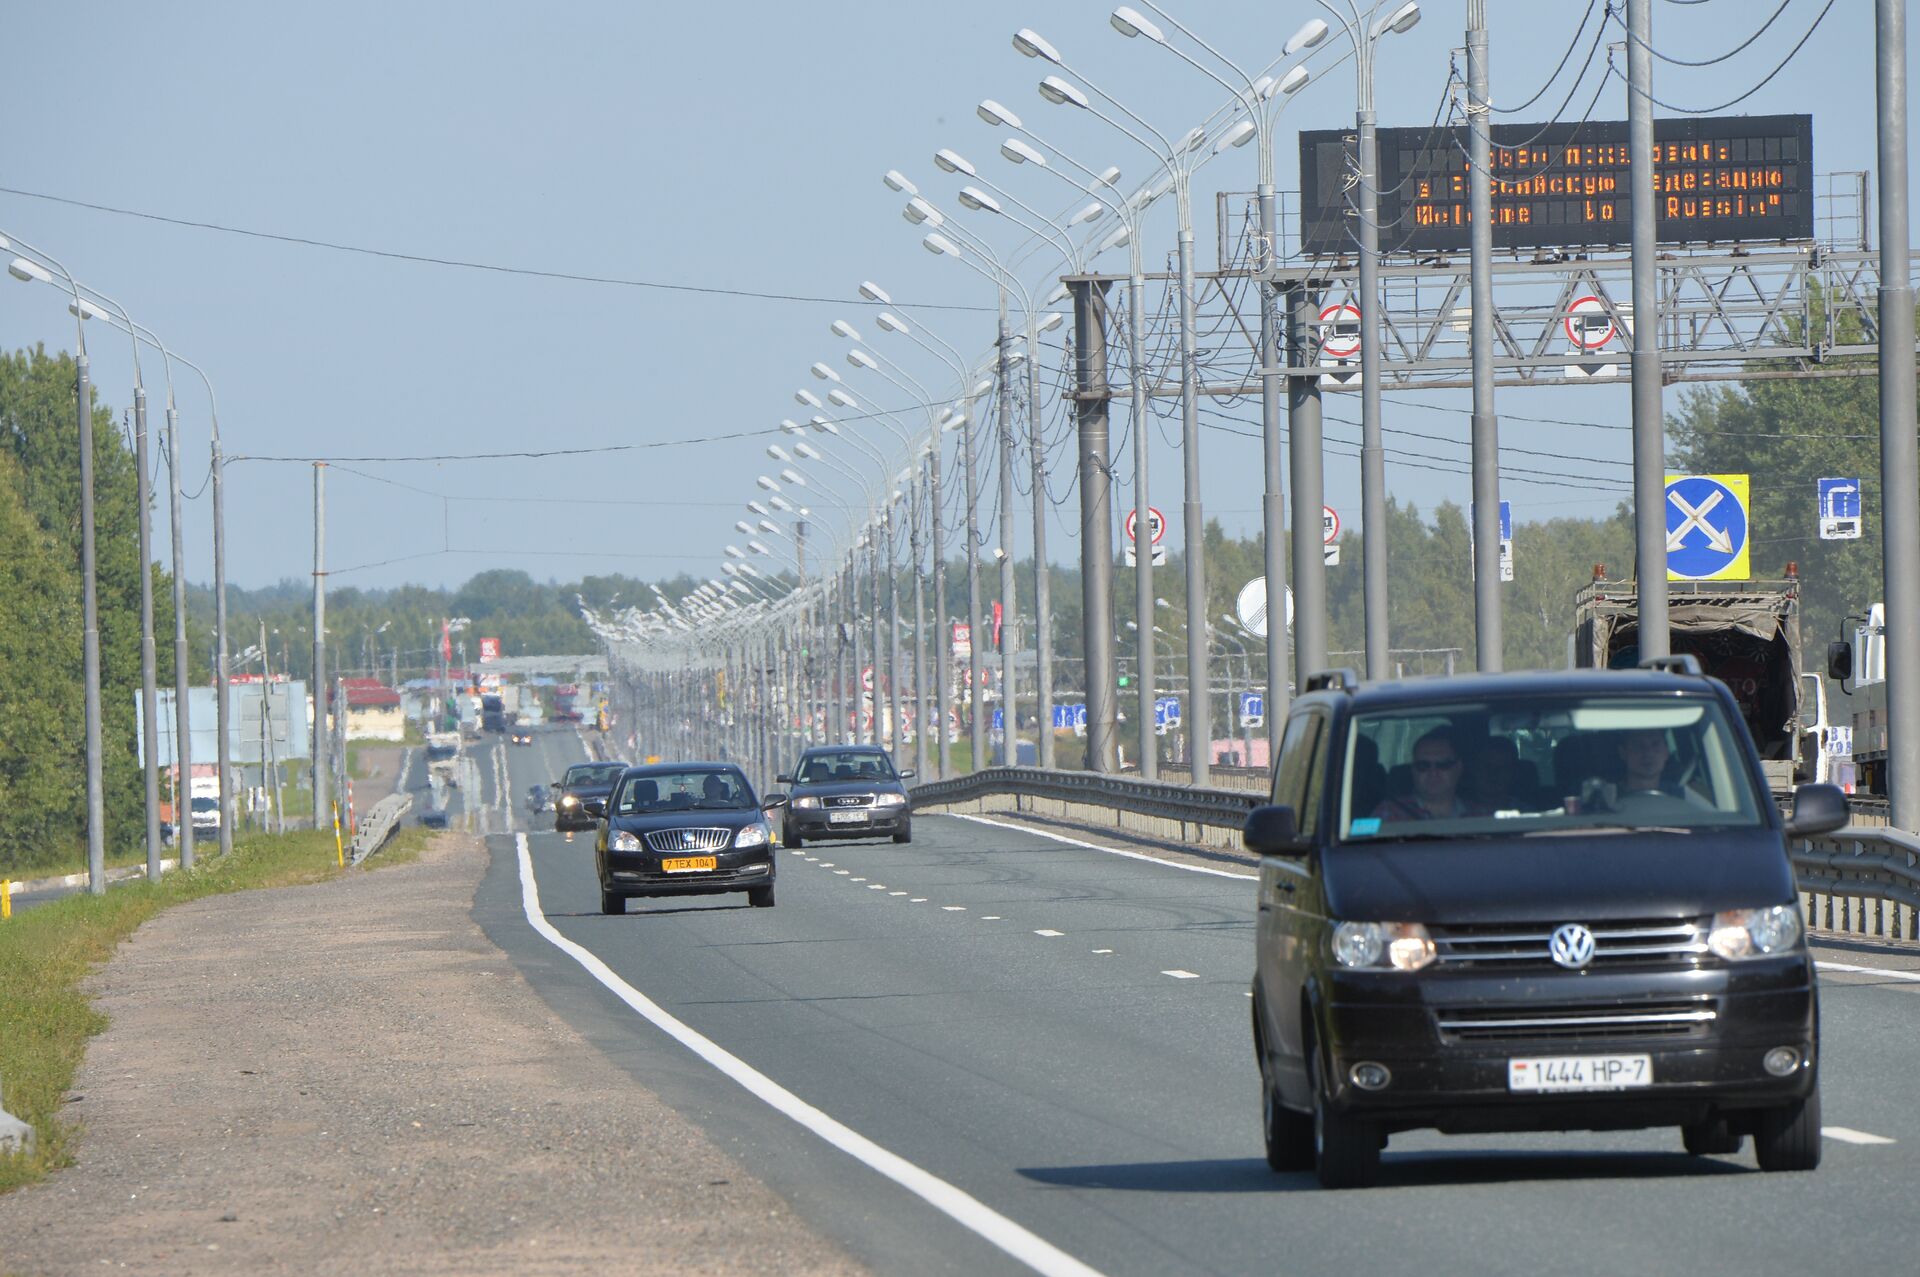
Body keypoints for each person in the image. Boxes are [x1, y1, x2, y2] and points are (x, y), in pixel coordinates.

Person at [1374, 729, 1488, 822]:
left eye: (1443, 765)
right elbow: (1365, 844)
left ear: (1459, 768)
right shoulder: (1387, 813)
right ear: (1413, 770)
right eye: (1423, 765)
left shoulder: (1480, 816)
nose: (1433, 773)